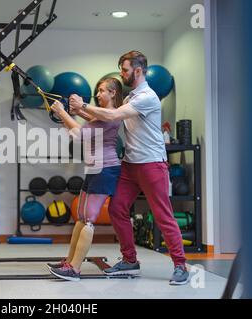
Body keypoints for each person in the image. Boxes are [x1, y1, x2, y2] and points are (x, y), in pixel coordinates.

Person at [69, 50, 189, 285]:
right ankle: (130, 260)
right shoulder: (130, 97)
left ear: (138, 70)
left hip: (152, 164)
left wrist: (83, 104)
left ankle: (180, 265)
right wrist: (78, 111)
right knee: (117, 209)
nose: (121, 74)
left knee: (163, 215)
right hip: (130, 165)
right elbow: (108, 118)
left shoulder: (148, 97)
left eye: (124, 70)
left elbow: (114, 114)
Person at [47, 78, 123, 281]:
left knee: (88, 218)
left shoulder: (111, 116)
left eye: (101, 91)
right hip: (94, 168)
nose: (97, 95)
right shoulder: (100, 115)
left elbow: (79, 134)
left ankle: (75, 269)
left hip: (105, 169)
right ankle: (69, 262)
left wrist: (63, 112)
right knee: (80, 216)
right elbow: (86, 118)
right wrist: (73, 109)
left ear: (113, 93)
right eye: (97, 91)